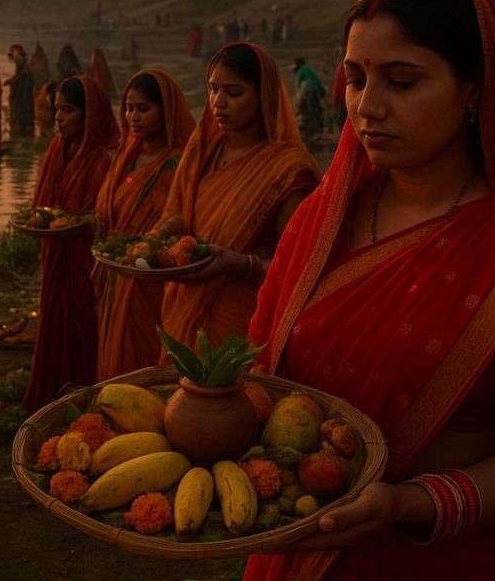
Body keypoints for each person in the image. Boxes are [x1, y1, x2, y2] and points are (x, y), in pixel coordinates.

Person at [244, 0, 495, 581]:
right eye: (355, 78)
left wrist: (409, 504)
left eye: (402, 80)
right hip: (300, 542)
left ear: (475, 89)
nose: (367, 107)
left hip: (451, 557)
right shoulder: (327, 217)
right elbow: (260, 365)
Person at [158, 42, 319, 350]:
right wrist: (157, 236)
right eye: (213, 89)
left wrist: (241, 265)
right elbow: (181, 213)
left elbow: (301, 267)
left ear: (263, 97)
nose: (218, 102)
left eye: (233, 93)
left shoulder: (288, 169)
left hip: (242, 324)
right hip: (183, 308)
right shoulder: (204, 151)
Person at [22, 76, 119, 411]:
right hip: (57, 252)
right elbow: (43, 205)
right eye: (56, 110)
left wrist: (82, 223)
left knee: (84, 322)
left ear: (89, 114)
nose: (58, 118)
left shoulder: (107, 156)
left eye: (67, 110)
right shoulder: (57, 148)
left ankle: (85, 395)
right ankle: (52, 394)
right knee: (54, 317)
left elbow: (110, 216)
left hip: (86, 258)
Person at [94, 70, 196, 380]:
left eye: (143, 108)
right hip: (118, 270)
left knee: (144, 353)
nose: (133, 116)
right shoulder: (128, 156)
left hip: (153, 275)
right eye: (128, 108)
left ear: (166, 111)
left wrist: (148, 246)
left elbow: (183, 219)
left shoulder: (179, 163)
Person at [3, 44, 35, 138]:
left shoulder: (26, 70)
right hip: (18, 102)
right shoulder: (21, 68)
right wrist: (11, 81)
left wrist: (13, 82)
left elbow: (24, 93)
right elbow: (17, 76)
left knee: (22, 123)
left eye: (15, 54)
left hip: (22, 103)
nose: (12, 58)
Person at [292, 57, 327, 139]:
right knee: (315, 112)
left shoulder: (301, 72)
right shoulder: (310, 71)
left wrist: (297, 106)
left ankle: (311, 133)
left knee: (307, 114)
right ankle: (317, 131)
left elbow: (298, 91)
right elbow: (321, 88)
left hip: (308, 94)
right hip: (316, 95)